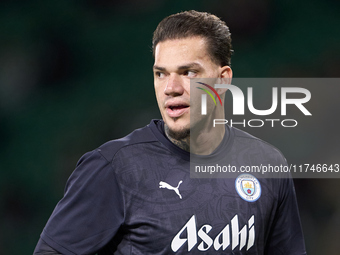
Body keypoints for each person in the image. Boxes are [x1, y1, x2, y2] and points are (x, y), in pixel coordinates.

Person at [34, 10, 306, 254]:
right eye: (161, 74)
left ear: (222, 80)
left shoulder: (267, 163)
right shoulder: (114, 167)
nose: (170, 88)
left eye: (188, 72)